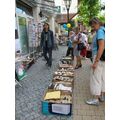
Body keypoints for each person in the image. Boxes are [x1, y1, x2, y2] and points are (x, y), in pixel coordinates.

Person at [86, 17, 105, 106]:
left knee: (96, 78)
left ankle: (95, 99)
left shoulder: (100, 31)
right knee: (103, 78)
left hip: (99, 58)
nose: (92, 27)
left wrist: (96, 61)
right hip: (104, 59)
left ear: (96, 23)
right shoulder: (104, 30)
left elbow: (101, 47)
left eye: (93, 25)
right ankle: (102, 96)